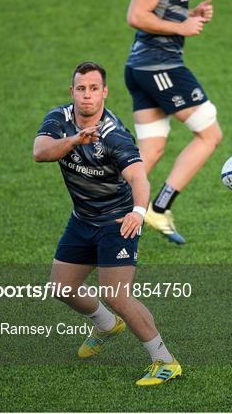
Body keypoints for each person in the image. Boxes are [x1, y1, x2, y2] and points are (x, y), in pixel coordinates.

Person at [33, 61, 181, 386]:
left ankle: (165, 360)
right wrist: (74, 140)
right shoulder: (59, 119)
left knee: (116, 294)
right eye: (81, 89)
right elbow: (40, 152)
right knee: (61, 287)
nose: (87, 95)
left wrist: (138, 213)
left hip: (118, 221)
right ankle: (105, 325)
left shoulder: (115, 136)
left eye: (94, 89)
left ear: (105, 93)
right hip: (82, 219)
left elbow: (138, 177)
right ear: (72, 92)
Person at [125, 0, 223, 245]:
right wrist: (182, 28)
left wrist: (189, 14)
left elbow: (157, 10)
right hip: (160, 66)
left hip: (140, 67)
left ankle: (101, 213)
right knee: (210, 133)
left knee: (149, 151)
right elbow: (137, 15)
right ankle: (160, 207)